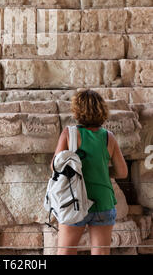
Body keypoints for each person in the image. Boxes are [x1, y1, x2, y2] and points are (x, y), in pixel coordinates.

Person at [50, 89, 128, 256]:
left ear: (77, 110)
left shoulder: (69, 134)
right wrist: (102, 171)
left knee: (66, 252)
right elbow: (122, 172)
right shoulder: (109, 137)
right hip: (102, 201)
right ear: (102, 110)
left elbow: (55, 167)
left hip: (74, 200)